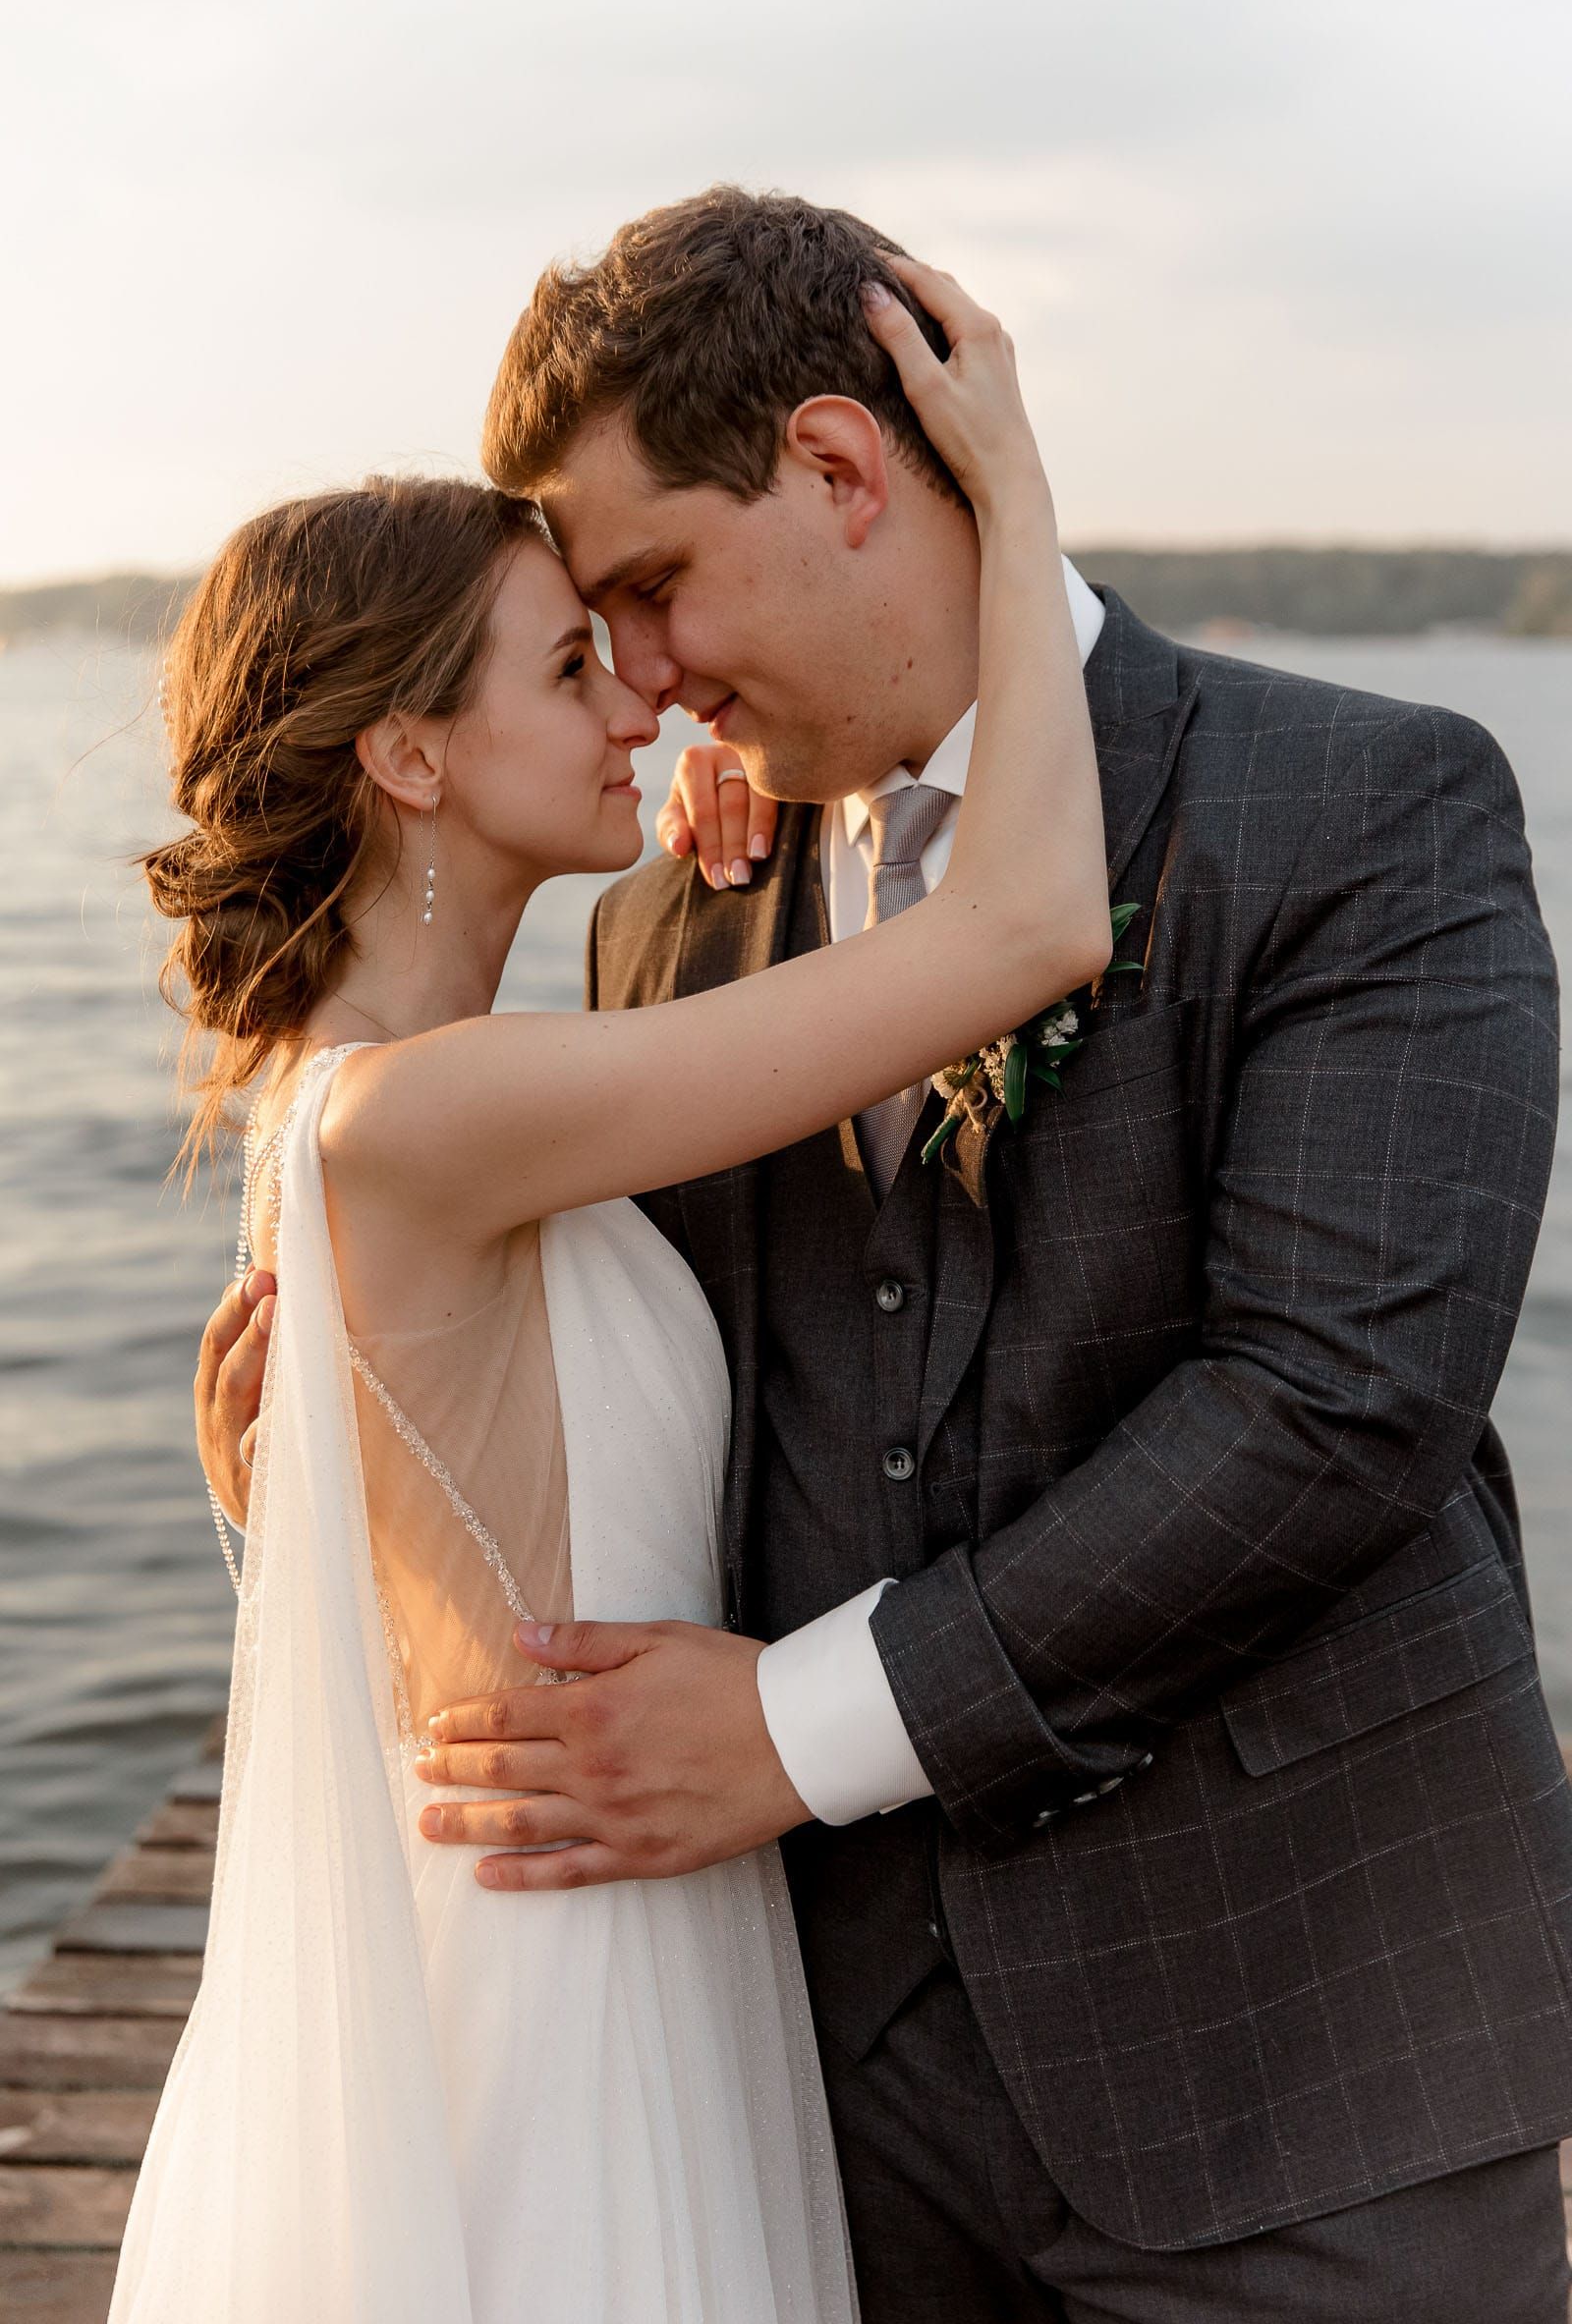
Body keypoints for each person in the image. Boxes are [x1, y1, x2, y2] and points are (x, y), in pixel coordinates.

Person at [197, 192, 1572, 2321]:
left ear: (843, 469)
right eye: (587, 638)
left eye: (646, 589)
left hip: (1297, 2070)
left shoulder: (1366, 806)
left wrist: (796, 1729)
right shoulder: (666, 929)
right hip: (810, 2095)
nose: (642, 680)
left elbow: (1330, 1408)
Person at [110, 260, 1108, 2323]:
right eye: (572, 667)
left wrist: (792, 812)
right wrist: (1001, 492)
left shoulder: (415, 1104)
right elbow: (1022, 921)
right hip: (563, 1978)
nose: (645, 699)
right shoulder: (420, 1119)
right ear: (407, 753)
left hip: (621, 1896)